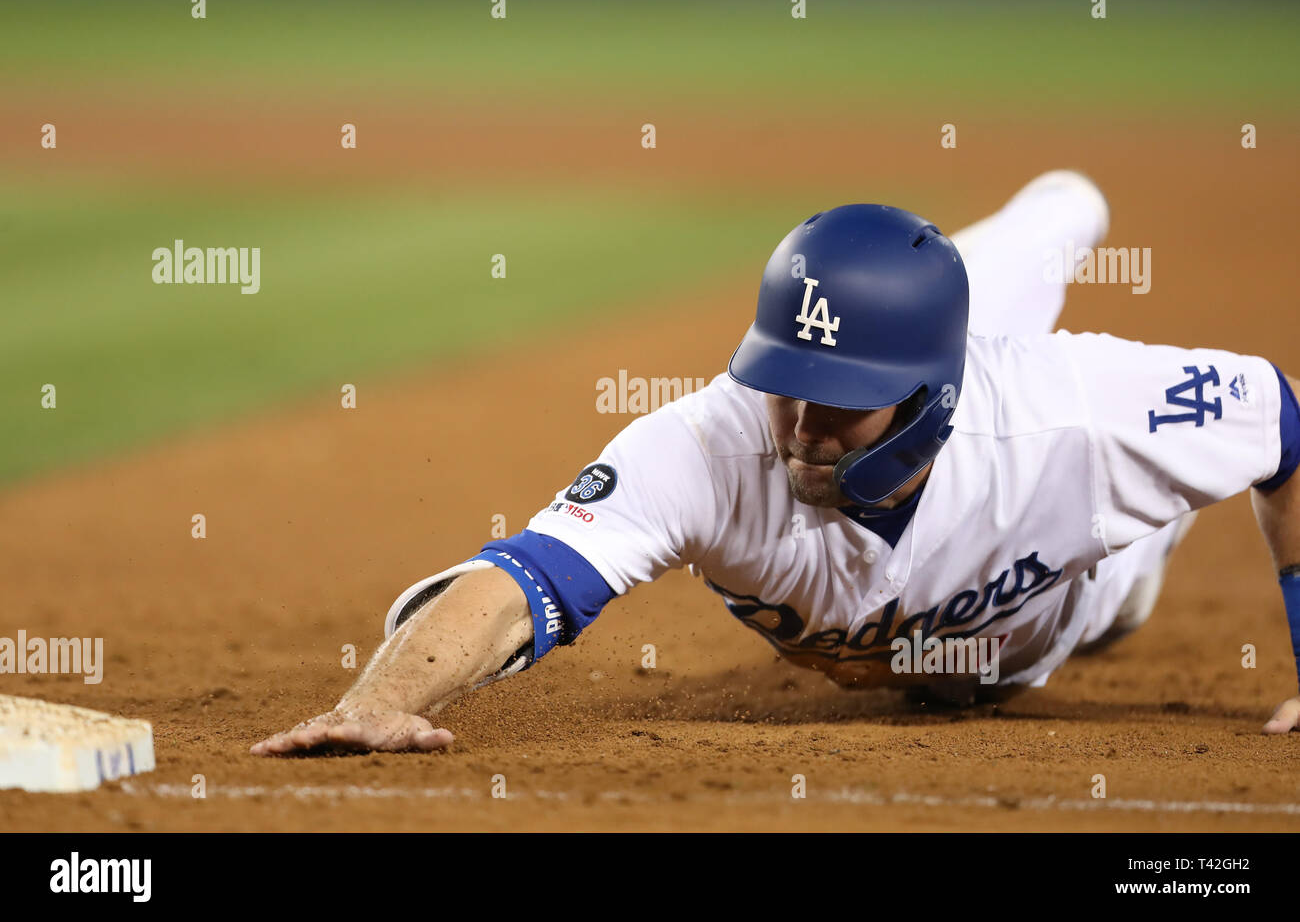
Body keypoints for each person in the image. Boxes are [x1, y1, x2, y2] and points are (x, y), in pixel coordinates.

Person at [251, 171, 1300, 756]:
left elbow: (1283, 425)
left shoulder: (1072, 420)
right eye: (784, 379)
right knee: (956, 289)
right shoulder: (712, 439)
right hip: (931, 357)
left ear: (925, 398)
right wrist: (375, 699)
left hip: (1057, 600)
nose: (799, 424)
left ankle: (1063, 209)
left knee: (1112, 578)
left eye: (836, 403)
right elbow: (521, 580)